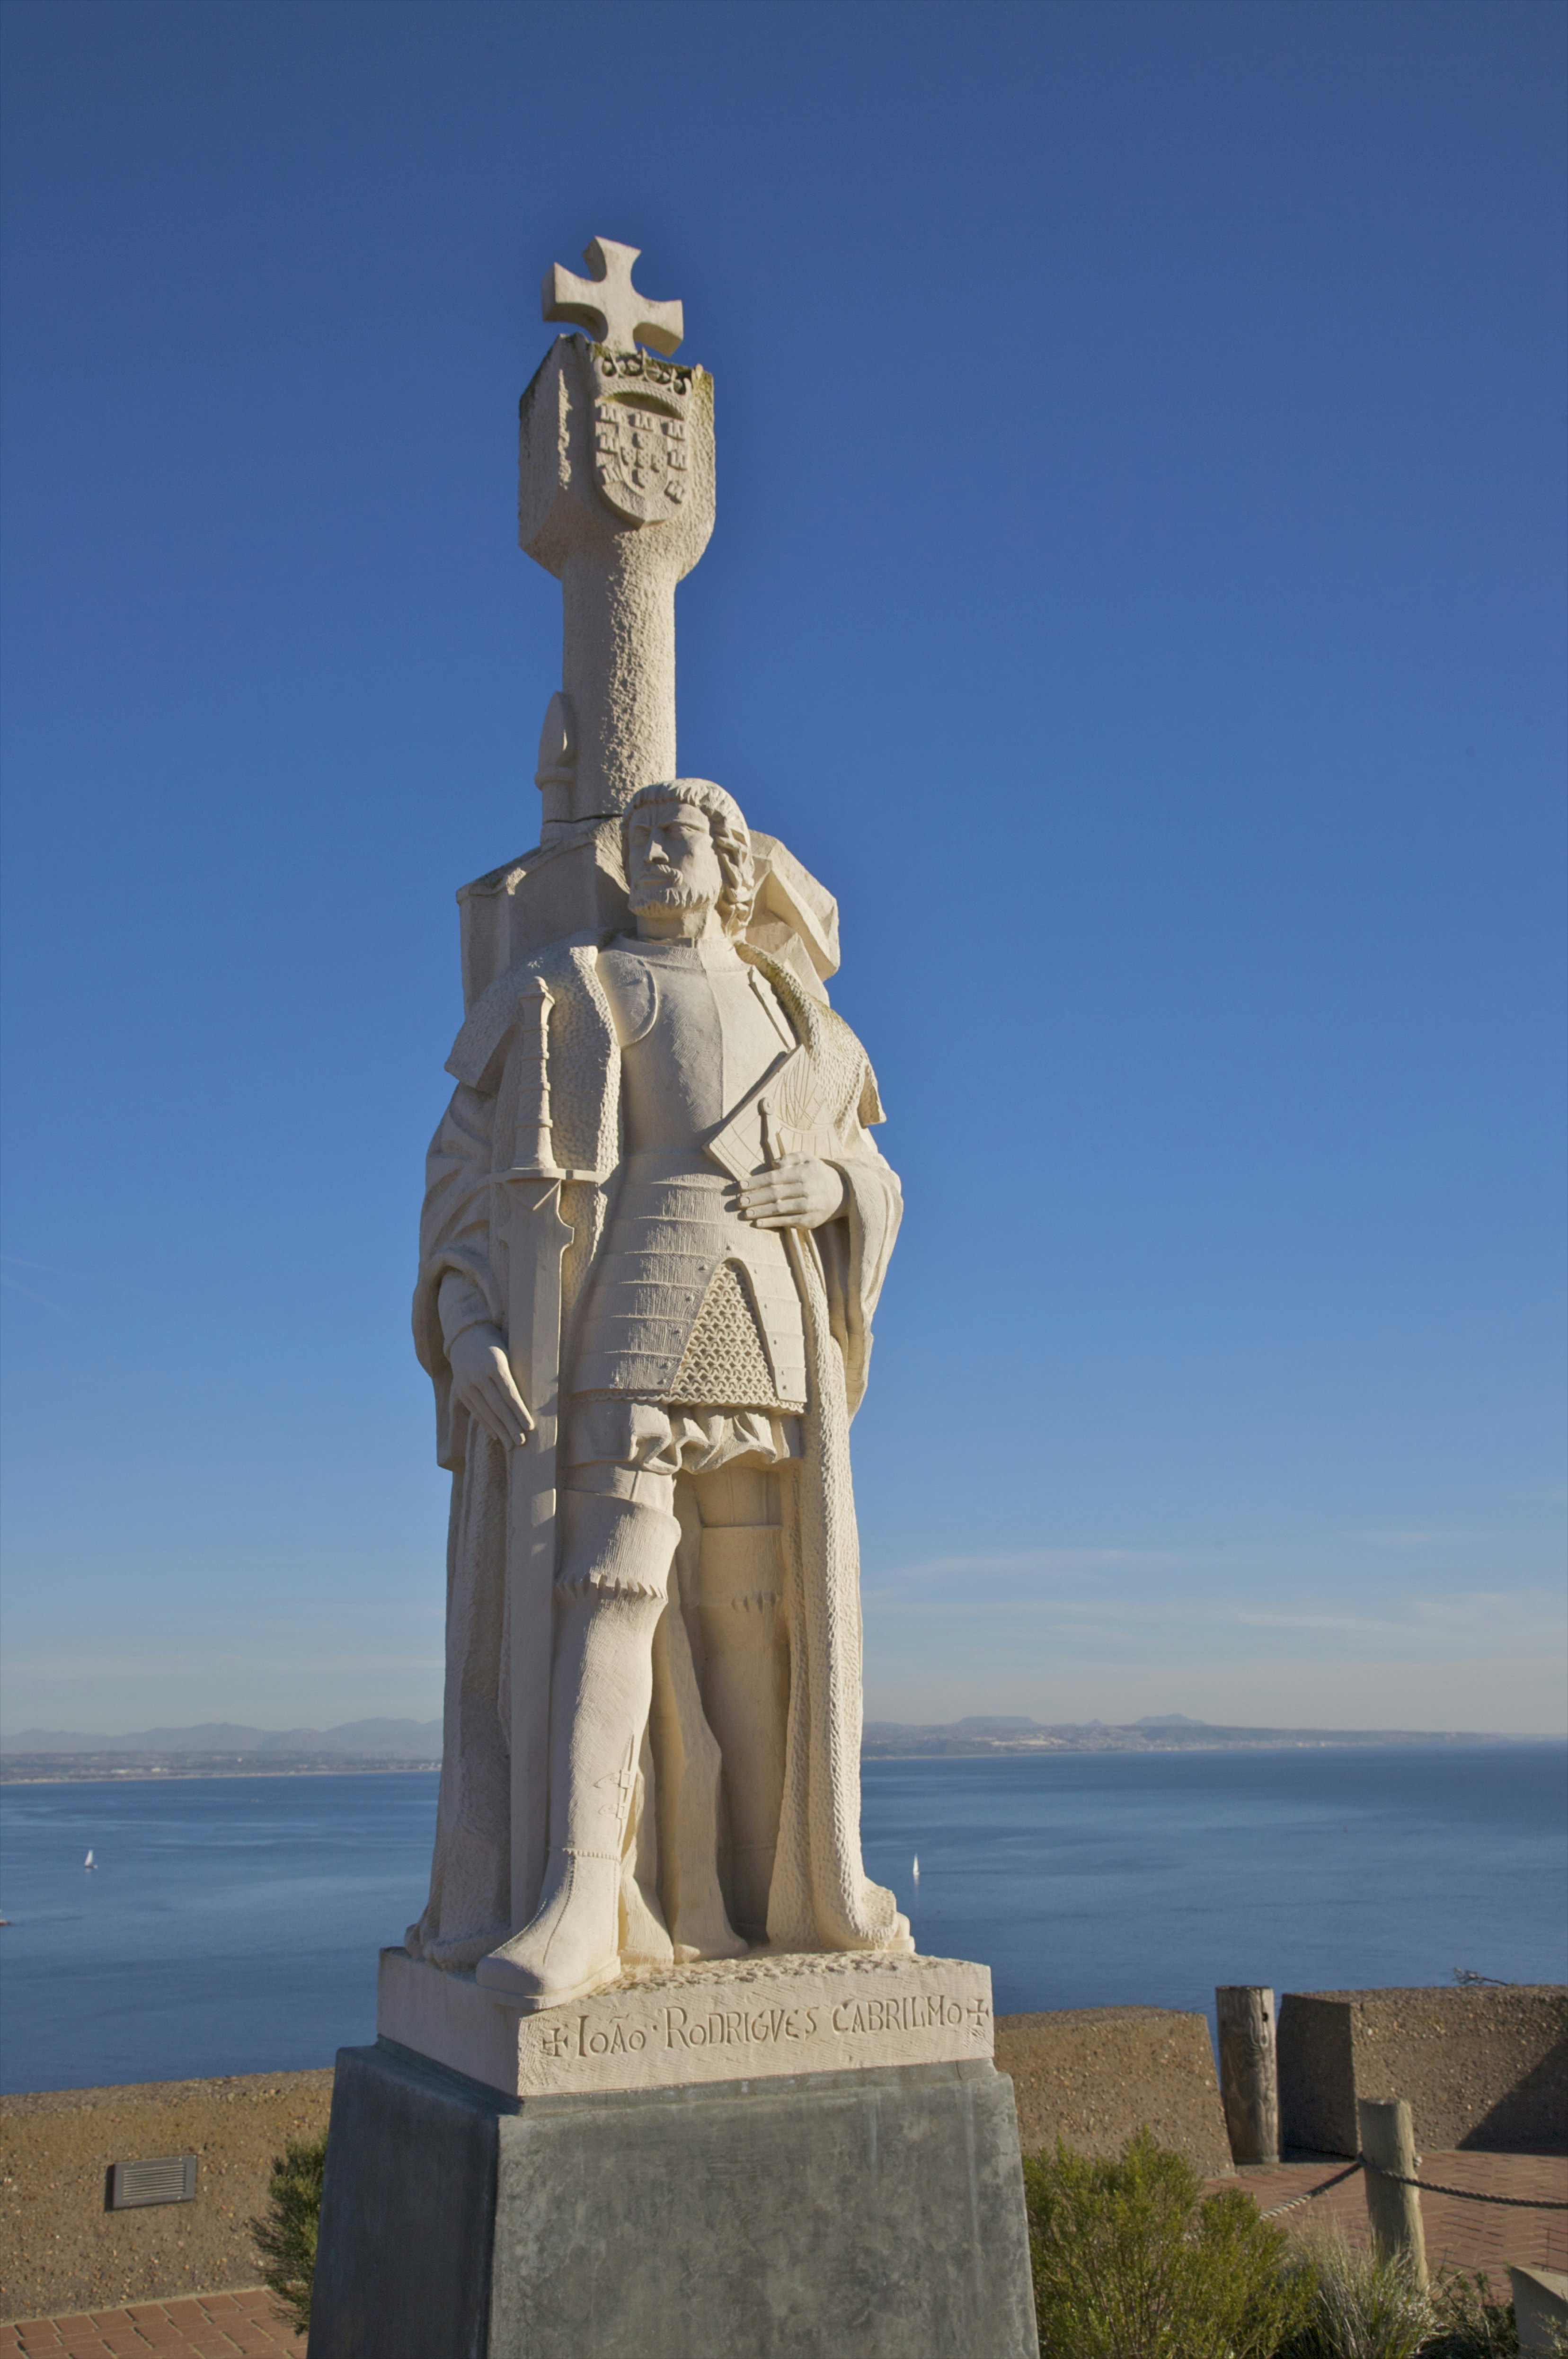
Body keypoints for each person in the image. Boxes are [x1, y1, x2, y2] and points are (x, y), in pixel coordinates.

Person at [407, 780, 908, 2008]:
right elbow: (465, 1184)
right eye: (638, 839)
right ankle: (585, 1891)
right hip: (626, 1300)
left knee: (751, 1604)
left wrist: (840, 1195)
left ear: (733, 862)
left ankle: (759, 1894)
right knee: (609, 1584)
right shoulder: (568, 990)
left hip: (767, 1311)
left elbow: (867, 1162)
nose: (653, 855)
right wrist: (467, 1324)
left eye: (680, 837)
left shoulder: (802, 1024)